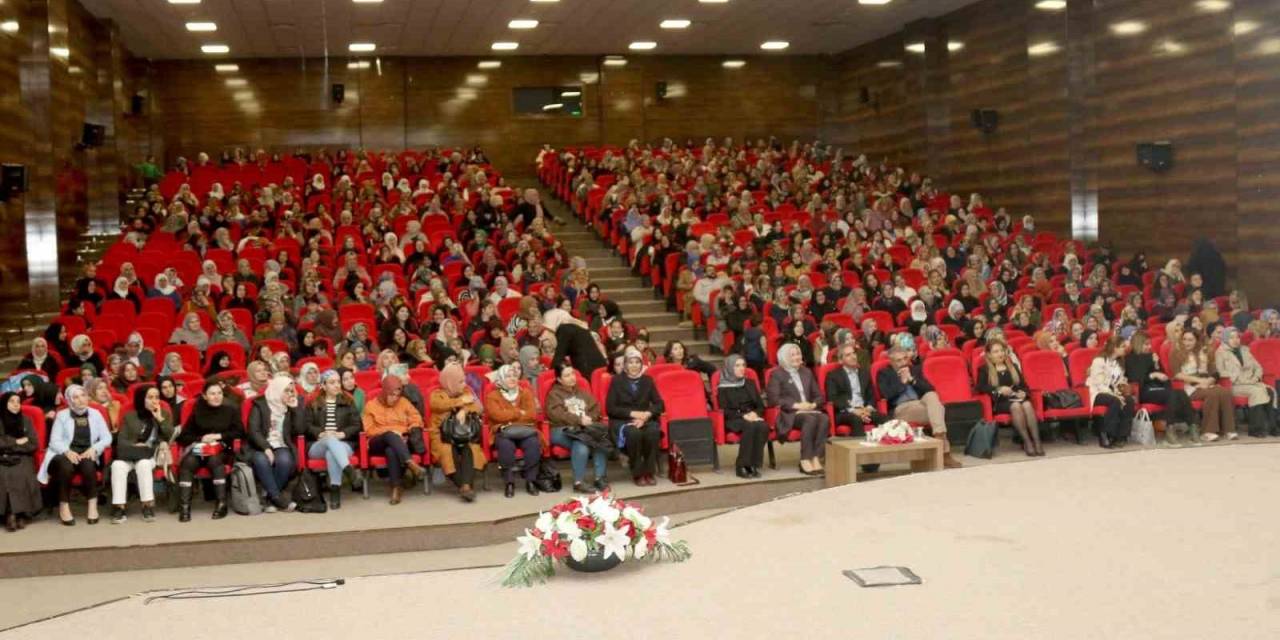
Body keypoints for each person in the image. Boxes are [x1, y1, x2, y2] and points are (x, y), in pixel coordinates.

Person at [38, 385, 112, 525]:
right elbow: (54, 441)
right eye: (76, 397)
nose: (80, 400)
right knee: (66, 466)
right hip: (63, 452)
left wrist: (95, 449)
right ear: (70, 400)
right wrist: (67, 451)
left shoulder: (96, 413)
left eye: (83, 395)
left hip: (86, 451)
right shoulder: (62, 415)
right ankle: (64, 506)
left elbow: (107, 438)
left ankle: (92, 505)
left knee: (89, 465)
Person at [876, 346, 962, 467]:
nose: (903, 363)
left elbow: (930, 388)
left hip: (921, 402)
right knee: (939, 409)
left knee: (932, 396)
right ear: (891, 361)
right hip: (902, 408)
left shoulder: (915, 370)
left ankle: (938, 436)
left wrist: (912, 380)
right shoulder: (884, 373)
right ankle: (944, 452)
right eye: (899, 360)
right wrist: (902, 382)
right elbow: (887, 395)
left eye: (905, 358)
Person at [175, 384, 244, 522]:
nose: (217, 396)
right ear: (205, 396)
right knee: (188, 463)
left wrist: (219, 436)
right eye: (212, 394)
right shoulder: (197, 411)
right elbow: (183, 437)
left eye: (219, 393)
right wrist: (201, 438)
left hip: (223, 449)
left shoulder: (231, 410)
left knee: (214, 460)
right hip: (199, 448)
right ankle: (184, 507)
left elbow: (240, 432)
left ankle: (221, 504)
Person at [109, 385, 174, 524]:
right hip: (129, 453)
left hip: (149, 454)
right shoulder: (130, 416)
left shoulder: (164, 414)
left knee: (144, 465)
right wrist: (134, 445)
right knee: (117, 465)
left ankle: (147, 505)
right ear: (141, 399)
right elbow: (121, 440)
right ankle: (119, 507)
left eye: (157, 397)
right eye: (150, 397)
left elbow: (170, 435)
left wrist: (159, 418)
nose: (154, 401)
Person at [545, 364, 612, 492]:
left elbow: (595, 408)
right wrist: (579, 420)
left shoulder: (582, 392)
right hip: (562, 430)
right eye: (567, 375)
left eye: (572, 374)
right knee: (583, 442)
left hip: (583, 430)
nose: (571, 378)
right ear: (559, 379)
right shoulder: (554, 394)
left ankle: (600, 478)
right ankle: (579, 481)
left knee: (598, 440)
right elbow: (556, 415)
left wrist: (589, 419)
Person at [362, 376, 428, 505]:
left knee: (391, 450)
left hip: (401, 441)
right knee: (390, 436)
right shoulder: (371, 405)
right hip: (377, 441)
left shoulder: (403, 402)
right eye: (391, 395)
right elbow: (368, 429)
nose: (395, 398)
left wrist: (408, 430)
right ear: (384, 392)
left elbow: (416, 418)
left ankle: (396, 488)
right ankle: (410, 463)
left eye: (397, 395)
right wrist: (391, 432)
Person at [767, 343, 829, 476]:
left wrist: (812, 405)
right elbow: (773, 399)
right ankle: (805, 459)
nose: (797, 357)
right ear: (784, 357)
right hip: (789, 413)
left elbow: (819, 396)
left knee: (824, 418)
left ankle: (816, 457)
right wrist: (797, 406)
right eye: (792, 354)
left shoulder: (806, 372)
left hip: (809, 409)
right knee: (810, 419)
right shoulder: (777, 374)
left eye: (798, 353)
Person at [605, 348, 664, 486]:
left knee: (653, 432)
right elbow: (611, 408)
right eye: (630, 362)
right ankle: (638, 473)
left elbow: (659, 404)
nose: (634, 365)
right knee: (634, 433)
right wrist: (633, 414)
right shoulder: (617, 381)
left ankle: (649, 472)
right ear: (625, 365)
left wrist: (646, 415)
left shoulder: (648, 380)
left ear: (641, 364)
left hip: (645, 419)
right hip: (624, 420)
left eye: (637, 362)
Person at [1125, 331, 1195, 445]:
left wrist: (1157, 364)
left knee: (1180, 393)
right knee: (1172, 394)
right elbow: (1135, 378)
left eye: (1149, 344)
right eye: (1146, 344)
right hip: (1144, 391)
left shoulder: (1151, 356)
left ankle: (1193, 426)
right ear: (1138, 344)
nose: (1149, 347)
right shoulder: (1130, 358)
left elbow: (1162, 375)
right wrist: (1152, 375)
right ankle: (1170, 429)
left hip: (1158, 388)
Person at [427, 364, 485, 502]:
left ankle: (465, 486)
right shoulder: (436, 395)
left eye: (464, 380)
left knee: (469, 450)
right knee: (448, 453)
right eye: (460, 381)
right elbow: (438, 405)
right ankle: (465, 486)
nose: (464, 384)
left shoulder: (466, 392)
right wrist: (460, 402)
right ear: (449, 382)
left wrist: (464, 410)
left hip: (465, 435)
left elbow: (478, 407)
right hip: (442, 437)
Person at [484, 364, 543, 498]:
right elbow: (496, 415)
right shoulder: (492, 396)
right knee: (505, 445)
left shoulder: (525, 392)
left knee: (533, 443)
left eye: (514, 376)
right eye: (508, 376)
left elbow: (532, 414)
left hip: (525, 430)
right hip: (503, 431)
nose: (512, 379)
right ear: (501, 379)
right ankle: (509, 482)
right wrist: (518, 412)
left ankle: (531, 480)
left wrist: (509, 414)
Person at [306, 370, 361, 509]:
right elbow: (305, 426)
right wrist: (320, 433)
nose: (337, 385)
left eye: (338, 382)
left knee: (332, 453)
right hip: (318, 445)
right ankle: (349, 470)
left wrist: (342, 434)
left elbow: (357, 425)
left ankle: (335, 490)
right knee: (330, 439)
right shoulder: (313, 403)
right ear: (323, 386)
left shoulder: (348, 401)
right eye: (332, 383)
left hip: (344, 444)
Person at [976, 340, 1043, 456]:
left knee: (1027, 404)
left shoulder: (1013, 366)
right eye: (996, 352)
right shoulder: (984, 369)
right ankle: (1027, 442)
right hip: (1001, 401)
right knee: (1016, 406)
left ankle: (1037, 442)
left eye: (1002, 350)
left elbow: (1024, 386)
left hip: (1016, 397)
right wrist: (998, 389)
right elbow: (981, 387)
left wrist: (1024, 393)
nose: (1000, 354)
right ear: (989, 354)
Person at [247, 375, 303, 512]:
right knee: (261, 460)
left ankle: (269, 497)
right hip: (260, 445)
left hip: (281, 444)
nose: (290, 394)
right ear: (278, 390)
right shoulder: (260, 404)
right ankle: (279, 499)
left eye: (292, 391)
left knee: (285, 461)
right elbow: (253, 430)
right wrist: (266, 448)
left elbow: (300, 430)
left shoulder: (292, 406)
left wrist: (295, 410)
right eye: (286, 391)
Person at [1169, 329, 1237, 442]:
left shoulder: (1203, 353)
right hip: (1188, 387)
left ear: (1197, 341)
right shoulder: (1176, 353)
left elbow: (1214, 372)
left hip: (1206, 384)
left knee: (1226, 392)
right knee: (1213, 394)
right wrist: (1199, 381)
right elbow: (1177, 374)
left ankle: (1228, 429)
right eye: (1184, 339)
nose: (1187, 342)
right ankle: (1207, 431)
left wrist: (1208, 381)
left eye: (1190, 340)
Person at [1215, 327, 1278, 437]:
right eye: (1231, 338)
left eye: (1237, 337)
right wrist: (1239, 379)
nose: (1235, 340)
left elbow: (1258, 367)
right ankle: (1255, 429)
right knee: (1257, 392)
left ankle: (1272, 427)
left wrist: (1255, 378)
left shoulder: (1245, 350)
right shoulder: (1220, 352)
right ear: (1225, 339)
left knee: (1270, 391)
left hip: (1251, 382)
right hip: (1234, 385)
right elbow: (1221, 372)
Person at [717, 355, 768, 479]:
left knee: (763, 426)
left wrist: (755, 414)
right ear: (729, 368)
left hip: (752, 416)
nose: (742, 368)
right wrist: (744, 416)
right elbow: (725, 411)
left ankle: (753, 464)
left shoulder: (749, 383)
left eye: (743, 365)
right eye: (737, 366)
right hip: (734, 418)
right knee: (750, 426)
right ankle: (742, 465)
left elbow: (761, 406)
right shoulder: (723, 388)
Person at [824, 342, 885, 437]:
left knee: (884, 418)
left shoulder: (864, 373)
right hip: (845, 412)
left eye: (853, 353)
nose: (853, 357)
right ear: (841, 360)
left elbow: (871, 395)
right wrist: (853, 410)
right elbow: (833, 398)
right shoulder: (833, 376)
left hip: (864, 409)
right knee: (856, 419)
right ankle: (859, 450)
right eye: (848, 355)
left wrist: (867, 410)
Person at [0, 392, 41, 532]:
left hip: (22, 457)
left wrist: (8, 445)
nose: (16, 404)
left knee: (20, 474)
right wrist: (16, 441)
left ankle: (19, 514)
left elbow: (33, 443)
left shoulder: (26, 420)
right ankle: (12, 514)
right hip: (2, 457)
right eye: (12, 401)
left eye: (18, 401)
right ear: (4, 403)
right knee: (3, 474)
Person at [1086, 336, 1136, 449]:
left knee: (1129, 400)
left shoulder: (1119, 363)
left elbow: (1119, 381)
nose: (1125, 348)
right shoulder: (1099, 361)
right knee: (1114, 401)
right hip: (1097, 392)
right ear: (1114, 348)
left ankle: (1121, 436)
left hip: (1112, 392)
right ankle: (1106, 434)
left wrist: (1123, 387)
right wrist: (1115, 395)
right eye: (1122, 346)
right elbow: (1099, 384)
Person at [546, 308, 607, 376]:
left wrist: (548, 375)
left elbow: (559, 357)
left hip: (588, 368)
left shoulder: (564, 329)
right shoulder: (576, 325)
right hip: (598, 365)